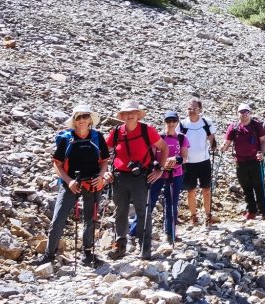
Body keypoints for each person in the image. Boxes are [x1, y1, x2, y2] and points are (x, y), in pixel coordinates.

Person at [34, 103, 109, 268]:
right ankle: (49, 254)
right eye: (78, 117)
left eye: (85, 116)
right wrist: (69, 181)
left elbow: (104, 161)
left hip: (92, 183)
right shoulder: (66, 138)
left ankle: (87, 252)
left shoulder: (97, 137)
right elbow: (57, 164)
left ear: (90, 119)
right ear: (74, 121)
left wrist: (101, 176)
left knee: (91, 218)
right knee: (58, 218)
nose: (82, 120)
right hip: (70, 183)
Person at [104, 99, 168, 260]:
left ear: (138, 115)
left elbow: (164, 148)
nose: (130, 115)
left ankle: (145, 248)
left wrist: (159, 169)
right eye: (126, 113)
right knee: (120, 211)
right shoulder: (116, 132)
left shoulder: (148, 130)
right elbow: (104, 152)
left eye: (132, 113)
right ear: (123, 116)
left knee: (142, 212)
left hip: (141, 177)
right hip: (119, 177)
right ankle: (120, 246)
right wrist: (104, 172)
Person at [221, 103, 265, 220]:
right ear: (238, 113)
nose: (244, 114)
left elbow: (263, 141)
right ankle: (251, 211)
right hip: (240, 161)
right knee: (246, 187)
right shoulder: (234, 127)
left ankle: (264, 211)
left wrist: (262, 153)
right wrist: (223, 147)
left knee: (259, 185)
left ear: (250, 113)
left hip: (255, 160)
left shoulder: (256, 125)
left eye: (246, 112)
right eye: (241, 112)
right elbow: (227, 142)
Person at [147, 111, 188, 244]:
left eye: (173, 121)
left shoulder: (182, 138)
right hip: (158, 175)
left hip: (175, 175)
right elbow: (152, 157)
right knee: (149, 202)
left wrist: (176, 159)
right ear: (164, 122)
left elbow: (185, 158)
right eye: (168, 121)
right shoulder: (158, 138)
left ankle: (170, 234)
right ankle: (137, 231)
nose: (170, 124)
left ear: (177, 122)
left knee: (171, 205)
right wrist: (159, 165)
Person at [179, 98, 216, 226]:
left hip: (204, 161)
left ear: (200, 109)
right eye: (189, 108)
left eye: (195, 108)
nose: (192, 111)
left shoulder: (206, 122)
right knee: (191, 191)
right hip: (188, 163)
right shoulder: (182, 124)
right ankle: (193, 216)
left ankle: (208, 215)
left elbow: (211, 138)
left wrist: (214, 145)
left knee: (206, 189)